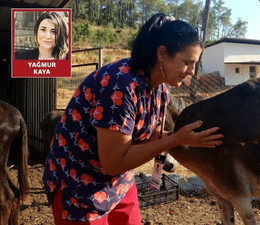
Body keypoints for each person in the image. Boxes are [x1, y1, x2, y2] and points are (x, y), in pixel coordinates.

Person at [42, 13, 223, 225]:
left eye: (195, 64)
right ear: (162, 54)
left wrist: (182, 137)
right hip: (79, 184)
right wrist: (176, 140)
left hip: (118, 183)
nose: (192, 71)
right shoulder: (120, 85)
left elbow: (152, 135)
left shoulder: (161, 87)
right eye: (187, 62)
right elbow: (113, 162)